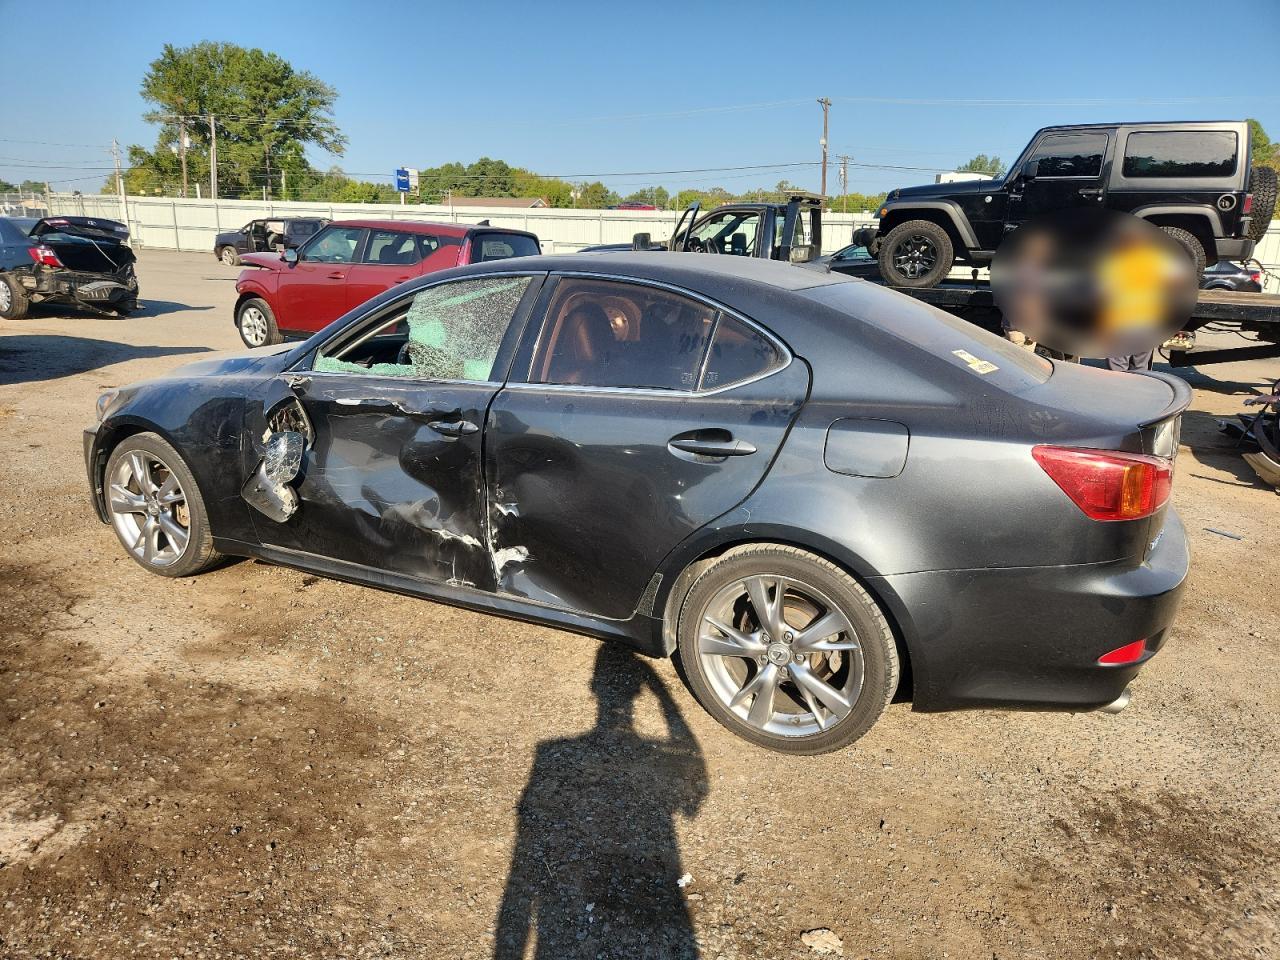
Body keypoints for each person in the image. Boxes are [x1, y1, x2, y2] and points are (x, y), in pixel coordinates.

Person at [494, 645, 708, 959]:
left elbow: (522, 871)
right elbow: (693, 800)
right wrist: (664, 697)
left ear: (594, 689)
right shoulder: (557, 756)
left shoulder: (553, 756)